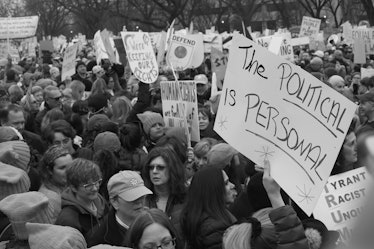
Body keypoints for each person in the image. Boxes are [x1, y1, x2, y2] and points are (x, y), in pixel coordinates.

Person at [86, 170, 152, 247]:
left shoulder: (156, 222)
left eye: (142, 196)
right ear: (114, 202)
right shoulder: (98, 238)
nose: (140, 202)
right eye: (132, 198)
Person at [181, 167, 237, 249]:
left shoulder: (200, 217)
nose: (233, 185)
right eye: (226, 183)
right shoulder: (215, 227)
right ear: (213, 190)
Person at [55, 158, 108, 239]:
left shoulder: (101, 201)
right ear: (73, 188)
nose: (95, 188)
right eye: (88, 185)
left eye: (97, 182)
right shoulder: (68, 220)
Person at [142, 147, 186, 236]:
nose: (154, 171)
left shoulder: (187, 198)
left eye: (160, 167)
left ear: (172, 170)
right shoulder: (143, 199)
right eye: (151, 167)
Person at [38, 145, 73, 222]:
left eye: (71, 166)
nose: (69, 171)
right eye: (62, 168)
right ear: (49, 170)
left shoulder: (65, 186)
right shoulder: (50, 199)